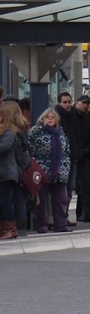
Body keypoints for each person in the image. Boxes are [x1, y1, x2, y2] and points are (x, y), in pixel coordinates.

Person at [27, 108, 72, 233]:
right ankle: (42, 226)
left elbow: (67, 150)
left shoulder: (61, 132)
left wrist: (66, 164)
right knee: (42, 201)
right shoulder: (36, 131)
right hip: (41, 171)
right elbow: (29, 148)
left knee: (61, 199)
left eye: (53, 117)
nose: (50, 119)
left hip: (60, 171)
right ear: (43, 119)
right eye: (48, 117)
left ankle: (61, 225)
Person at [55, 92, 84, 225]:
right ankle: (59, 217)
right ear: (59, 103)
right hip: (61, 159)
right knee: (61, 189)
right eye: (64, 102)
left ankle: (64, 216)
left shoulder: (74, 117)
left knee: (69, 189)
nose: (67, 105)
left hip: (73, 157)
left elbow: (78, 136)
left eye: (69, 102)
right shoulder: (56, 117)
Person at [0, 100, 26, 240]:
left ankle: (11, 228)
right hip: (2, 173)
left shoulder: (9, 131)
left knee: (5, 201)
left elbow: (5, 146)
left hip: (6, 173)